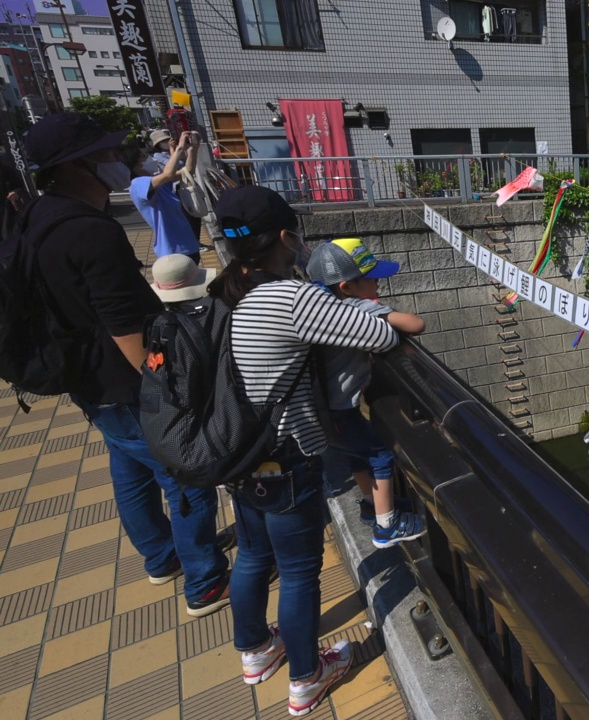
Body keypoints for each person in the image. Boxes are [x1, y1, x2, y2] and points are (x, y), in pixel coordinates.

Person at [18, 112, 230, 617]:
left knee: (129, 466)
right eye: (109, 155)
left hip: (84, 375)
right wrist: (167, 390)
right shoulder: (90, 233)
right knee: (184, 473)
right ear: (78, 166)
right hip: (125, 379)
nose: (121, 161)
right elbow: (122, 324)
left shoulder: (38, 217)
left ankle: (160, 557)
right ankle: (203, 581)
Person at [210, 185, 399, 713]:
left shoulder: (229, 289)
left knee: (252, 556)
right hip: (285, 454)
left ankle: (254, 651)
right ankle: (307, 677)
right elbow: (378, 334)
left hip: (240, 451)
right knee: (297, 573)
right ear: (288, 237)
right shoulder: (291, 297)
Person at [306, 238, 427, 548]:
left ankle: (372, 506)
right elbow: (416, 324)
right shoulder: (353, 309)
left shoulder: (319, 303)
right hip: (339, 409)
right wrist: (382, 312)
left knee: (356, 455)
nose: (378, 284)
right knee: (380, 456)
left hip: (321, 408)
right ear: (346, 287)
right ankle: (387, 526)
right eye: (372, 279)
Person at [129, 131, 202, 262]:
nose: (149, 159)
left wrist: (193, 150)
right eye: (144, 156)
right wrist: (178, 148)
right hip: (173, 251)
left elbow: (187, 171)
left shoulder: (157, 183)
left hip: (188, 245)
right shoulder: (138, 184)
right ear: (136, 163)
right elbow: (168, 174)